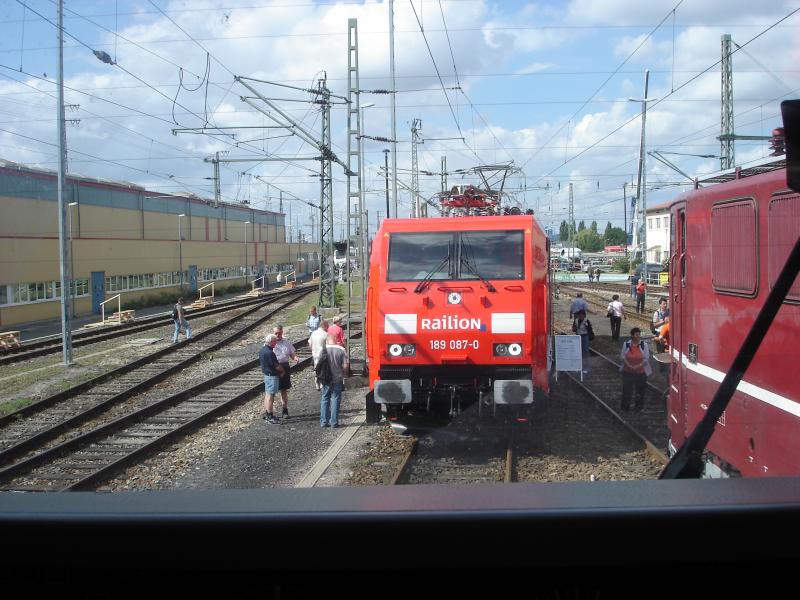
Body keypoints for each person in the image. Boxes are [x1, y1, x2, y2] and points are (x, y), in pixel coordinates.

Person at [319, 333, 349, 428]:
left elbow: (318, 365)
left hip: (325, 379)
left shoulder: (322, 349)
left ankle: (324, 422)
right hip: (337, 378)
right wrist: (344, 374)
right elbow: (345, 366)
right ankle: (334, 422)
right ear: (335, 340)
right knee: (335, 399)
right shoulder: (341, 349)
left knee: (325, 399)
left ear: (327, 340)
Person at [620, 327, 652, 412]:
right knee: (627, 390)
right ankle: (625, 407)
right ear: (632, 335)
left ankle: (639, 407)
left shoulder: (644, 345)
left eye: (639, 334)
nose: (638, 336)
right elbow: (623, 357)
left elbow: (646, 359)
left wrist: (637, 366)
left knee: (640, 391)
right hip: (628, 372)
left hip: (641, 372)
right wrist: (629, 365)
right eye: (636, 334)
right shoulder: (626, 344)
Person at [272, 325, 300, 419]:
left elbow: (291, 353)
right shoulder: (270, 342)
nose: (277, 335)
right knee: (272, 391)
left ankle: (285, 409)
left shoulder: (286, 341)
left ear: (282, 332)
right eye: (276, 333)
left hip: (284, 366)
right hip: (274, 367)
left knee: (283, 390)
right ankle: (270, 412)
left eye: (279, 333)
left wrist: (295, 357)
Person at [259, 334, 282, 424]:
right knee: (270, 396)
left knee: (267, 395)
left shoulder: (262, 350)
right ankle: (270, 417)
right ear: (271, 342)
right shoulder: (270, 353)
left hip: (266, 375)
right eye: (275, 341)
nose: (276, 343)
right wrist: (282, 371)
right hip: (271, 376)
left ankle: (268, 414)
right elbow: (276, 366)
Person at [309, 319, 329, 390]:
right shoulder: (325, 334)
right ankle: (321, 383)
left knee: (316, 368)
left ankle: (316, 383)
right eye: (327, 325)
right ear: (324, 325)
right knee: (323, 369)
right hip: (323, 355)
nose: (328, 327)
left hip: (315, 354)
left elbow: (310, 344)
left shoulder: (313, 333)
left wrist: (313, 350)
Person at [571, 309, 593, 374]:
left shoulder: (587, 321)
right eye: (579, 315)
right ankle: (578, 367)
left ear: (584, 315)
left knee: (585, 351)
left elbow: (590, 329)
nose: (580, 316)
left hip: (585, 336)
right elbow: (573, 329)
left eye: (582, 315)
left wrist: (587, 326)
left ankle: (587, 367)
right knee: (578, 352)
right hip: (578, 337)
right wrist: (574, 328)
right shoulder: (576, 320)